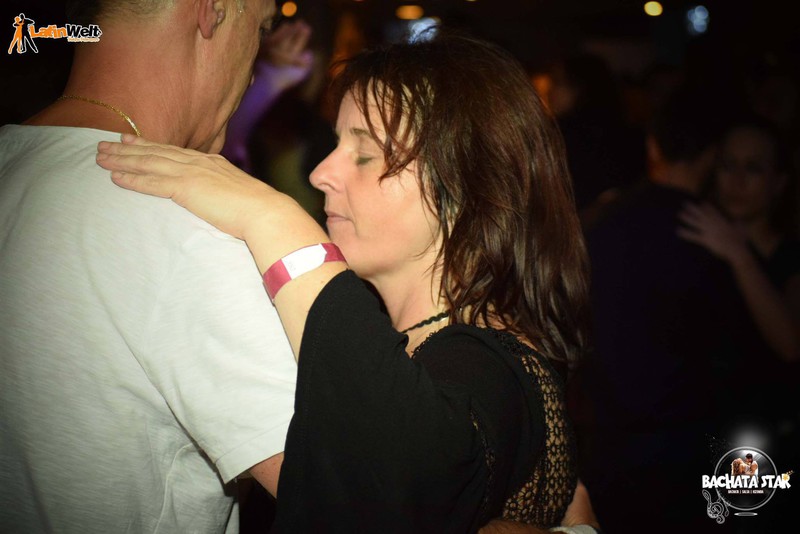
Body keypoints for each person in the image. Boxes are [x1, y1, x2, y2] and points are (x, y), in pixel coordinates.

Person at [96, 32, 598, 533]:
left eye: (365, 153)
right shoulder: (440, 345)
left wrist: (274, 220)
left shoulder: (491, 363)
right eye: (337, 143)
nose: (321, 173)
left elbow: (393, 489)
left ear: (465, 187)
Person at [0, 1, 296, 532]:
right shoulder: (192, 234)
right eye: (261, 27)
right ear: (212, 9)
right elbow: (355, 499)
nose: (255, 68)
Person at [573, 87, 749, 532]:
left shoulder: (603, 220)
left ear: (653, 146)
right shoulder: (718, 236)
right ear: (710, 156)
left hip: (611, 439)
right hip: (692, 441)